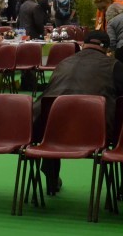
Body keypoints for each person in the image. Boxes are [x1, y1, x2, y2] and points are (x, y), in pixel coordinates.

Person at [33, 31, 123, 194]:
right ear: (107, 49)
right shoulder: (114, 65)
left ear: (82, 45)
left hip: (52, 131)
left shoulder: (62, 63)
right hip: (97, 131)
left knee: (52, 116)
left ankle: (52, 179)